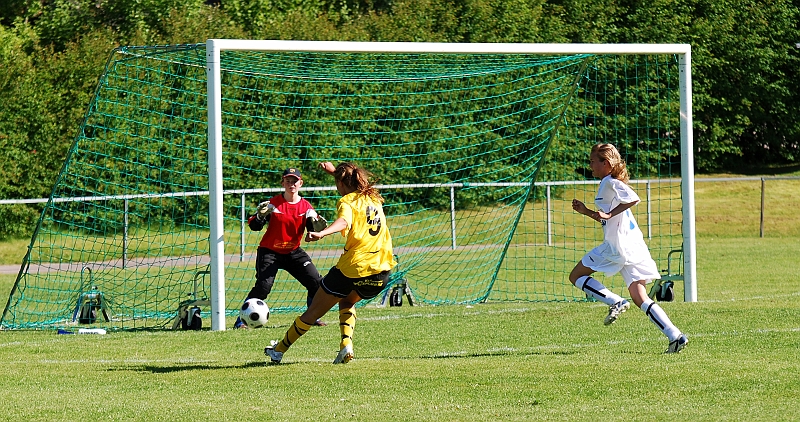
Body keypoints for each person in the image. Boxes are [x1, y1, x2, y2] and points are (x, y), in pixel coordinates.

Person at [264, 161, 397, 364]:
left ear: (341, 184)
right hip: (382, 270)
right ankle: (346, 345)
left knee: (313, 312)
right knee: (347, 301)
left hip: (354, 267)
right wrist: (335, 172)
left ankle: (278, 350)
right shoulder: (373, 197)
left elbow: (344, 221)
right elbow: (350, 181)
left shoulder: (347, 201)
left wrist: (322, 233)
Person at [569, 143, 688, 353]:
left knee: (576, 276)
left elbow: (633, 199)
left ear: (606, 163)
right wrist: (587, 211)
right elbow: (608, 219)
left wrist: (608, 214)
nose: (590, 166)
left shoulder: (609, 182)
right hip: (633, 246)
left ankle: (615, 302)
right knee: (640, 296)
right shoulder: (608, 183)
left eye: (593, 162)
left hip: (617, 247)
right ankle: (675, 336)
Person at [233, 168, 326, 329]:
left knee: (316, 283)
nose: (291, 184)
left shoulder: (306, 207)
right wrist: (259, 216)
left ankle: (312, 317)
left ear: (301, 183)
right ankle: (241, 321)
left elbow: (312, 233)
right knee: (263, 287)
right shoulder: (273, 204)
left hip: (293, 252)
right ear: (282, 183)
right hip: (270, 252)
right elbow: (254, 226)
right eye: (288, 181)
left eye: (295, 181)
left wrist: (316, 230)